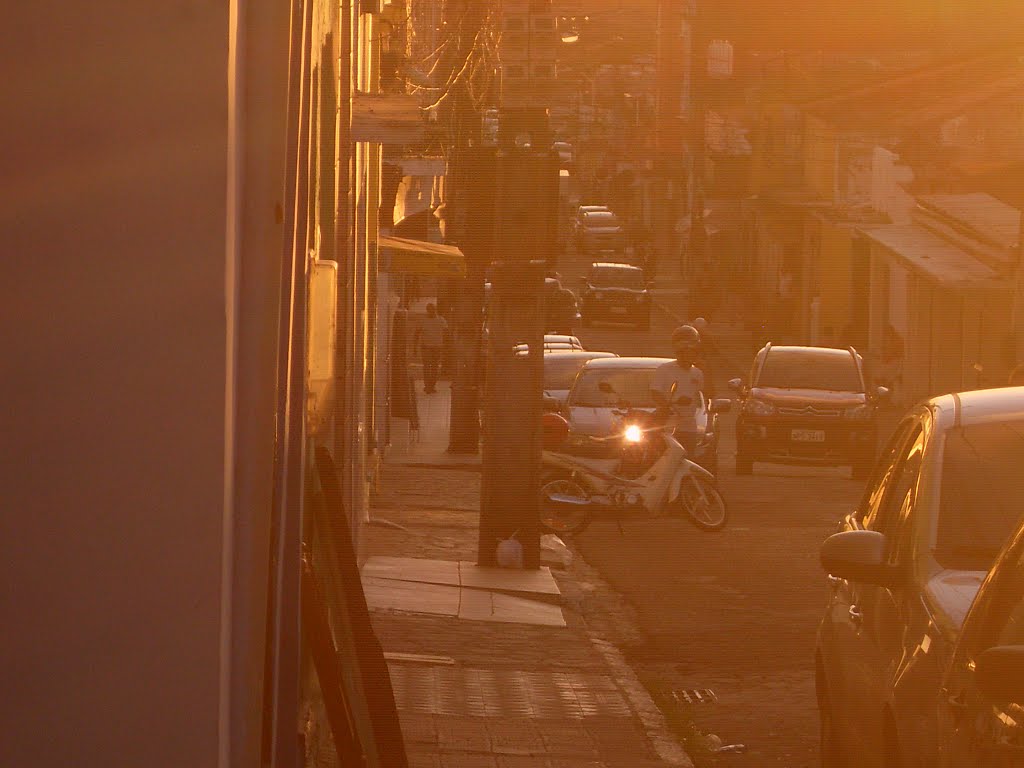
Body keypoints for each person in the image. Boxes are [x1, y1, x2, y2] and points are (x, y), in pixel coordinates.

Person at [651, 325, 705, 446]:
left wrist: (708, 369)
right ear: (680, 352)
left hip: (689, 428)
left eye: (695, 351)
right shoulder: (664, 370)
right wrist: (668, 407)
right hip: (668, 426)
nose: (693, 355)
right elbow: (655, 392)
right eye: (689, 352)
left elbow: (703, 394)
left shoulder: (697, 373)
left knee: (689, 460)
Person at [414, 303, 447, 394]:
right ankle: (430, 386)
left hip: (432, 347)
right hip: (431, 347)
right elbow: (446, 333)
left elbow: (416, 334)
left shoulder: (436, 320)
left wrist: (415, 347)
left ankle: (429, 386)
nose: (431, 312)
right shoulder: (441, 320)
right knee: (432, 367)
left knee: (430, 367)